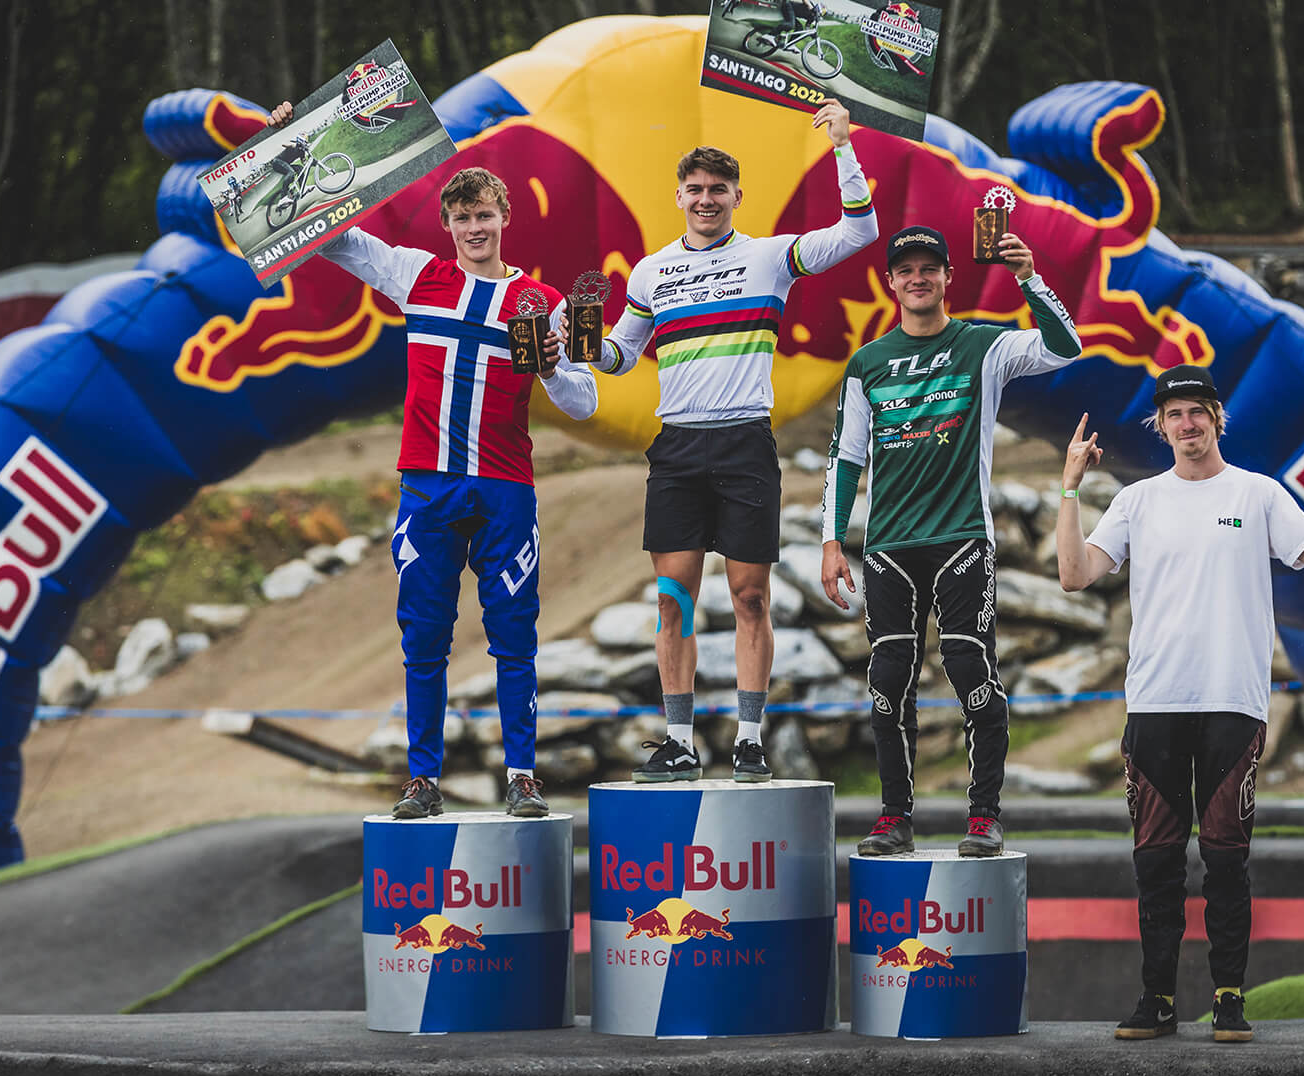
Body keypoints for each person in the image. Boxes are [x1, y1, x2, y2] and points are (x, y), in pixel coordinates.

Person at [265, 101, 599, 820]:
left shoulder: (539, 300)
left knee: (515, 635)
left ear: (504, 216)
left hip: (506, 486)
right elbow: (330, 237)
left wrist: (549, 367)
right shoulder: (416, 276)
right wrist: (284, 149)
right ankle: (422, 779)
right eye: (462, 218)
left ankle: (522, 776)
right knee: (425, 635)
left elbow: (584, 403)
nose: (475, 228)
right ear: (448, 226)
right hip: (428, 484)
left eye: (485, 215)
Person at [1056, 366, 1304, 1043]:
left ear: (1217, 419)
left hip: (1234, 701)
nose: (1188, 424)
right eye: (1175, 414)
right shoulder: (1138, 499)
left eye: (1199, 411)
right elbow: (1075, 576)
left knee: (1227, 859)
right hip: (1156, 704)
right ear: (1160, 426)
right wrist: (1070, 487)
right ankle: (1157, 1000)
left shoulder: (1258, 494)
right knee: (1156, 863)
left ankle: (1229, 1000)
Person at [576, 99, 877, 783]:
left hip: (744, 444)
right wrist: (586, 344)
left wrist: (841, 146)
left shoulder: (771, 257)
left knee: (750, 597)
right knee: (673, 600)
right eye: (696, 189)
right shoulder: (652, 273)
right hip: (677, 447)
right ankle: (678, 741)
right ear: (678, 196)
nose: (706, 199)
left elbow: (860, 232)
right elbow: (623, 356)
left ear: (736, 197)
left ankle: (748, 736)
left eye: (718, 189)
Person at [820, 225, 1080, 859]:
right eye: (905, 269)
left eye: (929, 269)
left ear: (947, 278)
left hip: (962, 536)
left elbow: (1064, 347)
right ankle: (894, 817)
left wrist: (1027, 276)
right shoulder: (868, 362)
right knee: (888, 680)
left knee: (971, 672)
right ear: (891, 281)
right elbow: (846, 457)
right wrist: (832, 542)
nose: (918, 278)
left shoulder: (983, 346)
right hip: (888, 546)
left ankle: (984, 815)